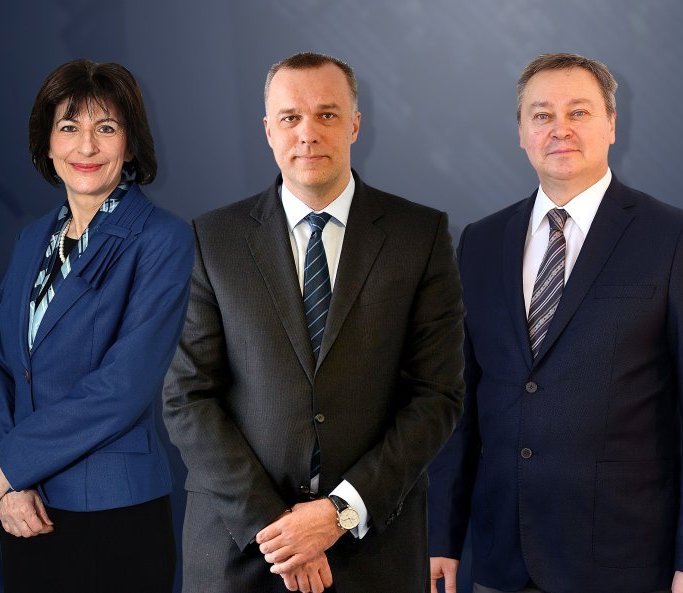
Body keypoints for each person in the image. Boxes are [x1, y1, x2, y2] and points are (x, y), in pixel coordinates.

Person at [427, 53, 683, 593]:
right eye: (541, 115)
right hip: (501, 562)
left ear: (613, 124)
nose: (560, 129)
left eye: (579, 112)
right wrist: (440, 538)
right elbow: (459, 407)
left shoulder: (675, 238)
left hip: (624, 562)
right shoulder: (480, 242)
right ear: (521, 132)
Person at [162, 51, 465, 593]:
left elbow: (436, 395)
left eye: (327, 114)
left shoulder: (419, 235)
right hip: (239, 549)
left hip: (373, 550)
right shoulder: (213, 239)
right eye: (290, 117)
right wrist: (280, 531)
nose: (308, 133)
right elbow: (187, 397)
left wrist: (339, 513)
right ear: (268, 130)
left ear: (355, 124)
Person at [0, 59, 193, 592]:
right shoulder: (32, 240)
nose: (86, 146)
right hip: (23, 509)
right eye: (69, 127)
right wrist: (8, 485)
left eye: (107, 128)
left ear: (131, 145)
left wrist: (11, 461)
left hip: (114, 516)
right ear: (47, 144)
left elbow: (124, 386)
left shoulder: (163, 240)